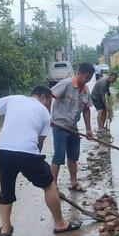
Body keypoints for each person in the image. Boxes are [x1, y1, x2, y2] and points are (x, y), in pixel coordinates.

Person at [0, 86, 82, 236]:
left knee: (6, 189)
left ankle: (5, 228)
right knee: (49, 185)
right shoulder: (44, 113)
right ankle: (60, 224)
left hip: (3, 152)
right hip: (27, 153)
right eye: (49, 102)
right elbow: (39, 145)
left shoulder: (13, 99)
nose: (48, 106)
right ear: (43, 97)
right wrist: (29, 166)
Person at [51, 62, 95, 192]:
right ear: (78, 73)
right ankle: (53, 187)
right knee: (59, 156)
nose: (88, 80)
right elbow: (50, 97)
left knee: (73, 155)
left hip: (72, 126)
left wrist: (88, 129)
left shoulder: (85, 89)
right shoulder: (66, 84)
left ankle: (74, 182)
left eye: (90, 77)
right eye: (86, 77)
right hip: (59, 126)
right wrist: (47, 118)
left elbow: (86, 110)